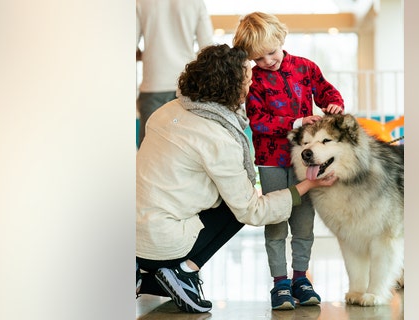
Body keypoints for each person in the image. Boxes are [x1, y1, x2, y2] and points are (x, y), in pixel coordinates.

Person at [136, 44, 338, 313]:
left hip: (133, 234)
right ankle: (183, 271)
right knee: (237, 207)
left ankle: (142, 274)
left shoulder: (165, 111)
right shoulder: (219, 138)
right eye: (247, 77)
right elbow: (252, 211)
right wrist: (308, 184)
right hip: (165, 242)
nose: (252, 80)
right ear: (232, 86)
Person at [233, 12, 345, 310]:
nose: (267, 61)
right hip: (270, 161)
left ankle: (301, 278)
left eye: (271, 52)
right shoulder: (252, 80)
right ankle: (280, 283)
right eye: (258, 58)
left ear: (281, 39)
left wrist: (334, 104)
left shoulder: (305, 68)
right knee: (276, 223)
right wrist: (295, 122)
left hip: (304, 161)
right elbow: (257, 121)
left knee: (304, 224)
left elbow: (326, 92)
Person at [135, 0, 213, 148]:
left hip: (154, 84)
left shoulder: (141, 2)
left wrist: (147, 55)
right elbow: (207, 46)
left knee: (150, 151)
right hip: (187, 85)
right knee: (186, 149)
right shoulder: (195, 3)